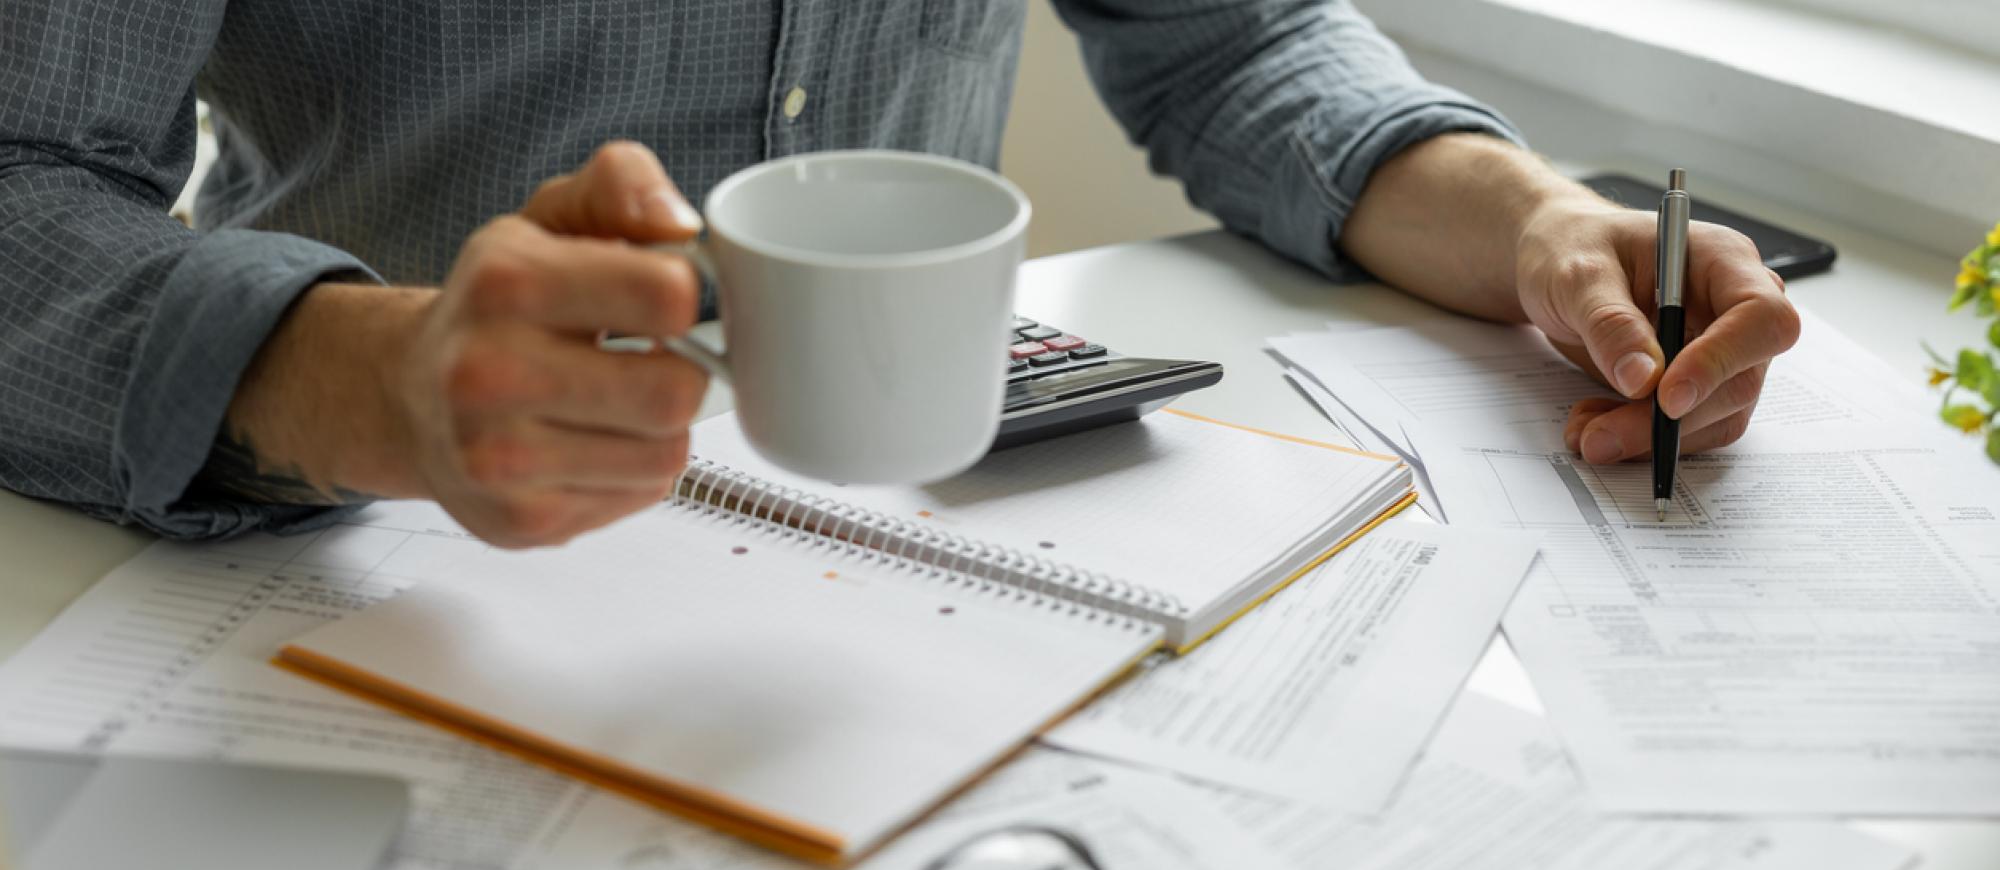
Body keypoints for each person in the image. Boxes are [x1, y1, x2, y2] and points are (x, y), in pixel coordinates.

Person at [0, 1, 1798, 549]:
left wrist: (1531, 222)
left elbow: (1230, 43)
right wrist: (379, 381)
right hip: (358, 568)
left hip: (944, 581)